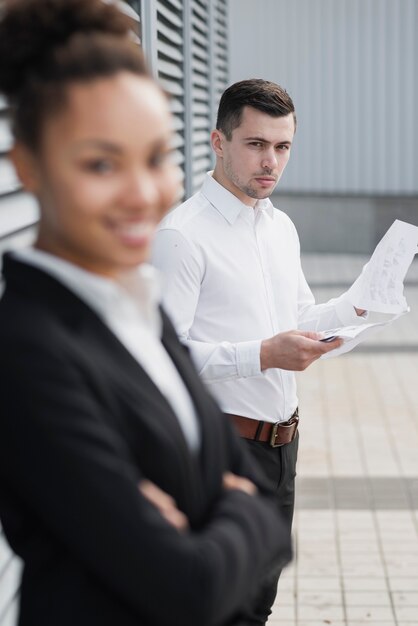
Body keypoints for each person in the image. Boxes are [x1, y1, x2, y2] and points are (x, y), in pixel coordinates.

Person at [0, 5, 292, 625]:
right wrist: (233, 506)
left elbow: (271, 529)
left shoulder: (135, 312)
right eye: (101, 163)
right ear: (27, 165)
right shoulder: (29, 352)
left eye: (156, 156)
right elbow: (190, 586)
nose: (145, 192)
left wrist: (226, 516)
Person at [152, 79, 366, 624]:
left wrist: (358, 309)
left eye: (282, 146)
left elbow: (296, 323)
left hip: (281, 448)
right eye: (255, 144)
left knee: (259, 602)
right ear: (218, 143)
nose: (270, 161)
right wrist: (262, 355)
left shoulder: (280, 227)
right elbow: (163, 359)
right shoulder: (182, 236)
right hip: (220, 447)